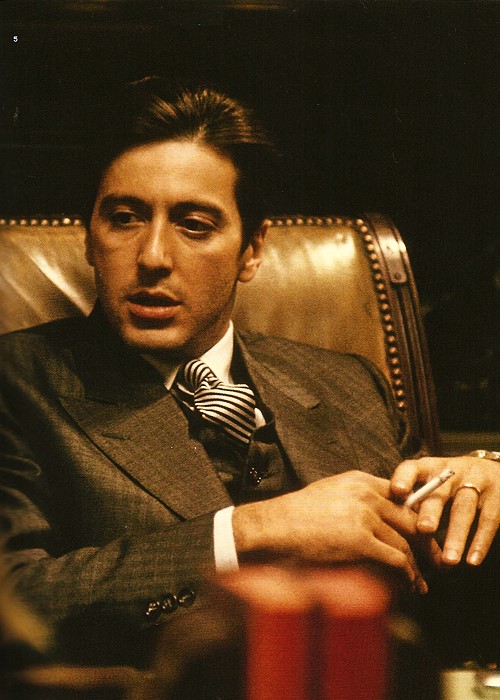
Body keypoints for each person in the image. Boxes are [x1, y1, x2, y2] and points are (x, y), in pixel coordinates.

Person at [0, 77, 498, 673]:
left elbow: (446, 595)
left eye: (194, 225)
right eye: (125, 218)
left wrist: (483, 489)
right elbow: (18, 601)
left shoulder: (348, 385)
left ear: (252, 250)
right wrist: (248, 531)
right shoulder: (18, 381)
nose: (153, 257)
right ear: (89, 237)